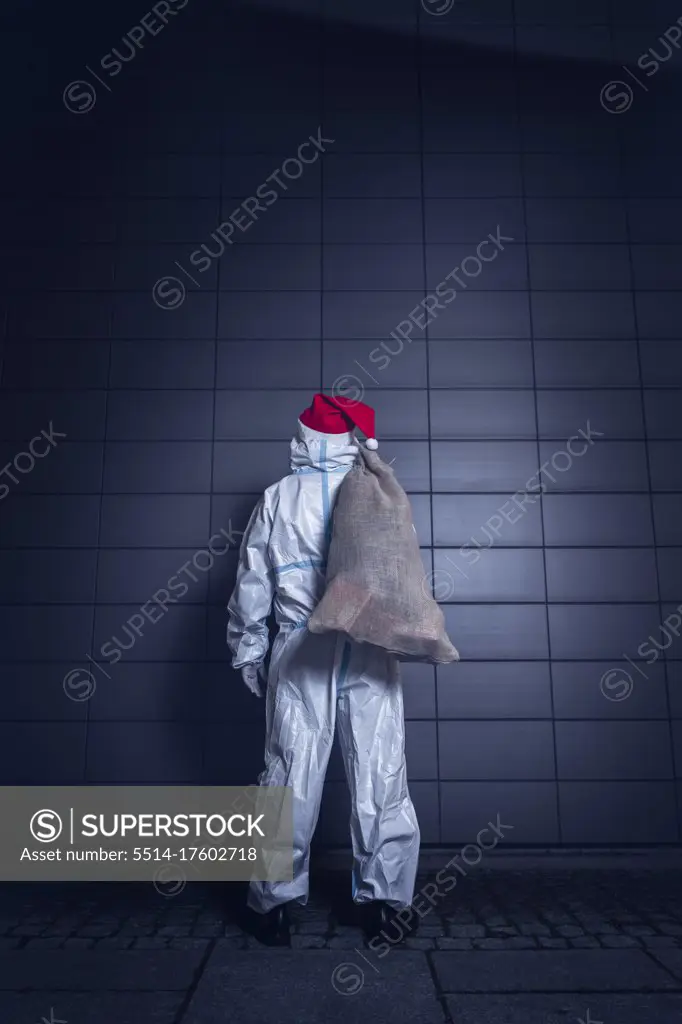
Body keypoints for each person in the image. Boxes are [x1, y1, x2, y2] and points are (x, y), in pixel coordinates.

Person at [227, 393, 420, 946]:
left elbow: (253, 582)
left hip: (299, 647)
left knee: (288, 772)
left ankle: (274, 907)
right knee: (381, 769)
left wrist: (247, 649)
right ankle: (385, 904)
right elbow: (401, 575)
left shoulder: (279, 497)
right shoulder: (378, 490)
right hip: (369, 643)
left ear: (306, 436)